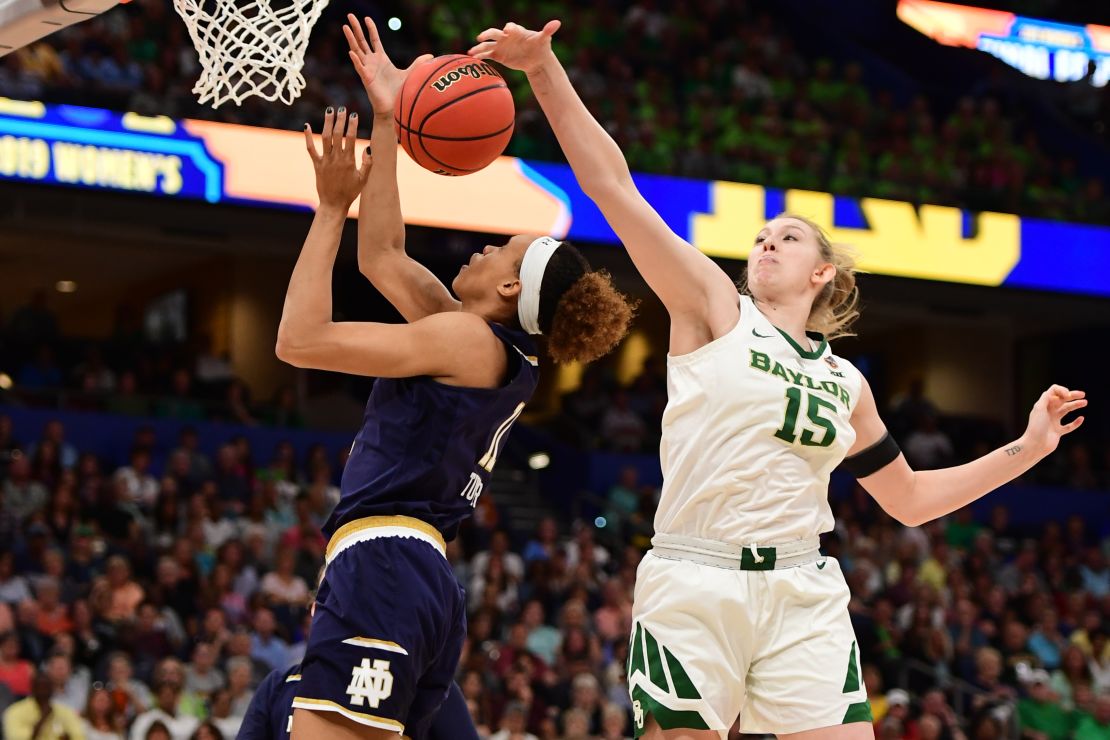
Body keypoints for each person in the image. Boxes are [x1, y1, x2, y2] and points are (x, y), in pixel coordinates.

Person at [469, 20, 1089, 740]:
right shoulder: (713, 309)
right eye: (762, 236)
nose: (766, 241)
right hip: (694, 578)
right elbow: (614, 187)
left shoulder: (846, 382)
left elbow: (912, 500)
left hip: (802, 586)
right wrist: (543, 71)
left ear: (823, 272)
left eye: (787, 237)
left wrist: (1029, 448)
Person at [282, 20, 634, 738]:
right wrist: (387, 115)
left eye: (501, 250)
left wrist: (327, 209)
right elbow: (381, 255)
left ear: (508, 292)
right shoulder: (484, 345)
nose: (482, 248)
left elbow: (299, 341)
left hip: (383, 565)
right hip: (422, 577)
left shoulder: (463, 338)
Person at [2, 672, 85, 740]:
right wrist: (43, 718)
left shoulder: (64, 711)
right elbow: (14, 737)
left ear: (52, 689)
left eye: (47, 688)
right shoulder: (14, 711)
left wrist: (69, 737)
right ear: (32, 689)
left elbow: (79, 736)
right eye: (40, 688)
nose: (44, 692)